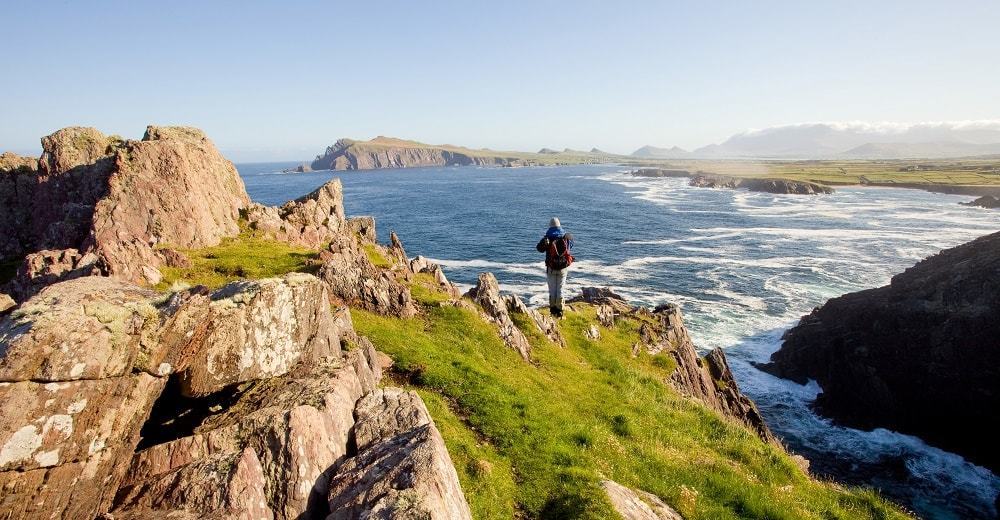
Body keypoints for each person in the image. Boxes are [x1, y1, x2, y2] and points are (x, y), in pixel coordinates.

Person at [536, 217, 574, 317]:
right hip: (563, 268)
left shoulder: (547, 238)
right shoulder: (566, 237)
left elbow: (539, 249)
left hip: (551, 268)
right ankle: (560, 311)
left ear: (550, 226)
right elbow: (571, 245)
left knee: (552, 290)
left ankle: (553, 311)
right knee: (560, 289)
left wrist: (546, 242)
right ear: (559, 225)